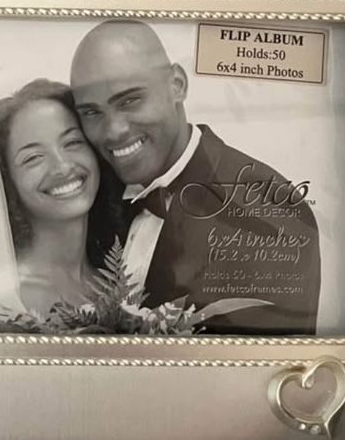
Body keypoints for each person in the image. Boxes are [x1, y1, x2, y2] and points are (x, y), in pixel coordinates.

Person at [69, 21, 321, 333]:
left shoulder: (271, 216)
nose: (113, 131)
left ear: (177, 85)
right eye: (91, 112)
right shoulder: (86, 194)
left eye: (130, 100)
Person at [0, 80, 119, 323]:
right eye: (33, 157)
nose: (62, 166)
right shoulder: (0, 304)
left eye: (72, 142)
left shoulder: (121, 277)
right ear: (6, 181)